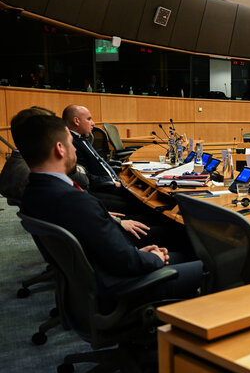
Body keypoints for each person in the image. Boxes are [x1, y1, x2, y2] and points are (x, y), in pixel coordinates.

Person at [15, 113, 202, 304]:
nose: (75, 150)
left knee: (182, 246)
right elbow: (125, 262)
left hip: (98, 279)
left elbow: (109, 251)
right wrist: (154, 257)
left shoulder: (32, 191)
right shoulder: (75, 201)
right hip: (123, 287)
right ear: (60, 149)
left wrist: (138, 254)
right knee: (212, 263)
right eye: (71, 143)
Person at [62, 104, 139, 213]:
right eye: (89, 119)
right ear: (76, 121)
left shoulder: (83, 138)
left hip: (112, 182)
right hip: (104, 187)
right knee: (139, 202)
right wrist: (111, 181)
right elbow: (84, 177)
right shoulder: (73, 144)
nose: (93, 123)